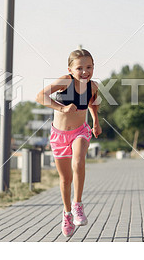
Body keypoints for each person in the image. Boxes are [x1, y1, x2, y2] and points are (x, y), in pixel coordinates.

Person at [36, 49, 102, 237]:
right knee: (65, 179)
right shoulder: (66, 81)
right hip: (59, 135)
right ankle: (67, 214)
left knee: (78, 161)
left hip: (80, 131)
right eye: (79, 68)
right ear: (70, 70)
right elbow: (40, 96)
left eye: (88, 67)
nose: (85, 71)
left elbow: (94, 103)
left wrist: (96, 122)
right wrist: (62, 108)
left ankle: (78, 204)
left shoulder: (93, 86)